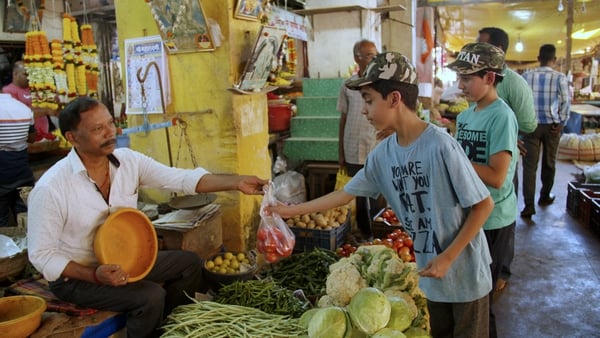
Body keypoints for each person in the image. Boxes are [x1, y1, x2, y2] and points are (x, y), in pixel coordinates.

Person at [270, 52, 495, 338]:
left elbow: (483, 206)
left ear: (395, 99)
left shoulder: (441, 145)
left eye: (368, 100)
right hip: (431, 274)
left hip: (464, 272)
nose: (364, 110)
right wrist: (289, 210)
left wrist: (448, 258)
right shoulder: (383, 156)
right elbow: (343, 195)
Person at [27, 97, 268, 338]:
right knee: (151, 296)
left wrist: (236, 182)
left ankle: (171, 330)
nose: (110, 133)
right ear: (72, 138)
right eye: (98, 129)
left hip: (126, 260)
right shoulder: (52, 188)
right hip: (79, 277)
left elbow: (181, 179)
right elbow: (41, 255)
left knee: (189, 264)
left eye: (110, 124)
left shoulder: (128, 162)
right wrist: (94, 275)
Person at [447, 42, 519, 338]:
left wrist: (454, 157)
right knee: (468, 294)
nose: (460, 85)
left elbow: (497, 176)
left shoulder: (501, 116)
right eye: (459, 78)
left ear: (489, 78)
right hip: (469, 214)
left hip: (494, 219)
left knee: (482, 297)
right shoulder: (465, 116)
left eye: (467, 79)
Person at [477, 27, 537, 292]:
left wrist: (509, 136)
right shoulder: (479, 80)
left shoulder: (513, 83)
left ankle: (502, 269)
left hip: (502, 158)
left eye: (480, 46)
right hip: (480, 157)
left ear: (498, 51)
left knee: (503, 209)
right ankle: (483, 264)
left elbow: (529, 123)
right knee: (481, 206)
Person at [521, 44, 570, 217]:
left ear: (538, 58)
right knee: (549, 163)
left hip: (530, 126)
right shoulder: (560, 77)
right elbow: (565, 101)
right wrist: (562, 121)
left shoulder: (526, 76)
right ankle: (544, 197)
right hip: (552, 127)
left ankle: (528, 206)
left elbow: (521, 101)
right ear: (554, 59)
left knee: (529, 166)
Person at [337, 39, 380, 237]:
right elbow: (343, 118)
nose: (374, 58)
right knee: (358, 192)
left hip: (374, 144)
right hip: (352, 144)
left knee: (377, 190)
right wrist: (341, 151)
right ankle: (365, 232)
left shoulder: (380, 84)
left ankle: (379, 228)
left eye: (375, 54)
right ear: (357, 58)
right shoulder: (347, 85)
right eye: (370, 55)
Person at [0, 93, 36, 227]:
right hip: (22, 170)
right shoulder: (24, 109)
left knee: (1, 221)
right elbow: (32, 137)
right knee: (26, 218)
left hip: (2, 175)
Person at [2, 60, 59, 137]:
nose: (29, 77)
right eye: (26, 74)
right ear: (15, 74)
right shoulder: (7, 92)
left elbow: (51, 101)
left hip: (44, 135)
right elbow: (19, 114)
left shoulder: (35, 88)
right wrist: (46, 111)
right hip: (23, 137)